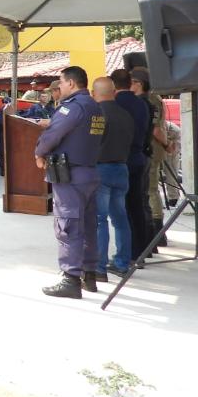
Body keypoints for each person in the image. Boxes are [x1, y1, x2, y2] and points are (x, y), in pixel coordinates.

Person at [34, 66, 104, 298]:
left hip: (70, 175)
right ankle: (89, 275)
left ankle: (70, 279)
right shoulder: (95, 106)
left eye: (61, 83)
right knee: (88, 226)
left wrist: (39, 152)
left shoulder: (73, 107)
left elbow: (53, 134)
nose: (60, 87)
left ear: (72, 83)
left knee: (68, 225)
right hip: (89, 172)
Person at [92, 76, 133, 281]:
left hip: (102, 169)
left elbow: (93, 141)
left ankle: (99, 267)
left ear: (94, 93)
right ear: (114, 92)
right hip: (122, 168)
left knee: (100, 220)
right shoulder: (126, 114)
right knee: (120, 218)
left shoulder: (97, 114)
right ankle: (122, 263)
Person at [110, 68, 151, 262]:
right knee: (137, 206)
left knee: (121, 210)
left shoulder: (115, 104)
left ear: (113, 85)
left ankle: (126, 254)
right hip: (139, 157)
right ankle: (141, 252)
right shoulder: (142, 104)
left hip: (121, 159)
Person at [132, 67, 169, 247]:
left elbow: (155, 129)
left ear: (139, 83)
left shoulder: (150, 99)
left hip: (151, 149)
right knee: (149, 190)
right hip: (152, 149)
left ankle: (157, 234)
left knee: (150, 190)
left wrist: (167, 144)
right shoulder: (155, 97)